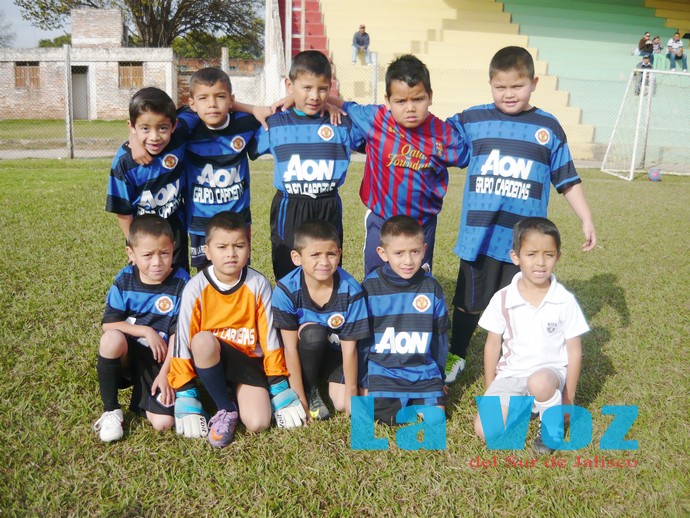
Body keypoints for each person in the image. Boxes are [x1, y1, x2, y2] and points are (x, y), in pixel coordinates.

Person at [445, 46, 596, 379]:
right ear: (490, 84)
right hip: (480, 236)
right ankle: (456, 354)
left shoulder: (548, 128)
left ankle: (514, 361)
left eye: (517, 86)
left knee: (518, 304)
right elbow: (432, 135)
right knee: (469, 301)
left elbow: (567, 179)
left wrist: (585, 218)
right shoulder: (473, 120)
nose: (508, 94)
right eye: (500, 87)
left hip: (522, 242)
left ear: (534, 83)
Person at [168, 211, 306, 448]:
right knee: (202, 341)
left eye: (238, 246)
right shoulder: (195, 287)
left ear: (248, 248)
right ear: (207, 251)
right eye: (222, 247)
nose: (231, 253)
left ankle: (234, 394)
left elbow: (270, 339)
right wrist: (185, 392)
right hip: (210, 358)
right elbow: (183, 340)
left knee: (258, 422)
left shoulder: (258, 283)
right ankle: (226, 408)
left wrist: (278, 386)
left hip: (245, 361)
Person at [329, 54, 470, 277]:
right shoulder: (375, 118)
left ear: (430, 96)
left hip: (422, 224)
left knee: (417, 279)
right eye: (401, 101)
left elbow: (467, 154)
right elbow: (344, 105)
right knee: (376, 280)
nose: (410, 108)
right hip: (382, 221)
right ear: (387, 100)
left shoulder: (443, 133)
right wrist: (310, 101)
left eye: (418, 99)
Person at [473, 217, 589, 454]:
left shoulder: (564, 300)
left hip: (549, 377)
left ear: (558, 256)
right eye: (531, 254)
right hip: (512, 375)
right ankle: (527, 406)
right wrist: (490, 387)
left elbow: (574, 350)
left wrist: (568, 399)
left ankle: (551, 420)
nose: (540, 262)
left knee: (539, 382)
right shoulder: (503, 298)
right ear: (515, 257)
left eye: (549, 254)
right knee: (485, 430)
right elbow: (492, 345)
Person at [256, 50, 365, 281]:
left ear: (330, 87)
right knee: (288, 270)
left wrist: (334, 103)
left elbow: (376, 122)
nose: (315, 96)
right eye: (306, 88)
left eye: (322, 89)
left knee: (326, 268)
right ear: (289, 85)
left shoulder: (341, 124)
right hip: (290, 206)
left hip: (327, 205)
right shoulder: (274, 124)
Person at [93, 215, 190, 442]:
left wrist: (165, 374)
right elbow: (109, 323)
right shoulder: (124, 278)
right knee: (111, 339)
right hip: (128, 356)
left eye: (164, 253)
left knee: (164, 424)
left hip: (159, 360)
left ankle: (142, 395)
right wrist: (147, 331)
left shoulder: (182, 282)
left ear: (173, 248)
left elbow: (178, 334)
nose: (157, 262)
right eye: (147, 255)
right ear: (131, 254)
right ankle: (111, 411)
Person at [272, 220, 369, 420]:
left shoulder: (351, 291)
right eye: (315, 255)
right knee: (314, 333)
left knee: (341, 404)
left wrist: (352, 395)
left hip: (336, 352)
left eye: (330, 254)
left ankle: (325, 378)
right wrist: (300, 400)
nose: (324, 262)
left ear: (339, 254)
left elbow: (350, 349)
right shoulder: (286, 290)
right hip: (305, 349)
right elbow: (290, 349)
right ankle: (309, 389)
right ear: (297, 257)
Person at [359, 215, 450, 426]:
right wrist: (363, 380)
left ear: (424, 249)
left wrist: (439, 377)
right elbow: (362, 340)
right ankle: (400, 402)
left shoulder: (432, 287)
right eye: (399, 253)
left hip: (422, 373)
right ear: (383, 253)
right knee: (387, 418)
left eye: (415, 252)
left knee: (436, 419)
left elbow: (440, 337)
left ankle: (418, 398)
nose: (408, 261)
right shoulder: (370, 287)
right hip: (384, 370)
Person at [106, 87, 189, 271]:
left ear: (174, 125)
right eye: (145, 129)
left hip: (175, 230)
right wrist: (134, 244)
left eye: (163, 128)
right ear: (132, 126)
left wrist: (252, 109)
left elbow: (198, 106)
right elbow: (123, 210)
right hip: (143, 236)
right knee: (147, 279)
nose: (155, 137)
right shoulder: (124, 162)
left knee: (178, 278)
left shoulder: (179, 136)